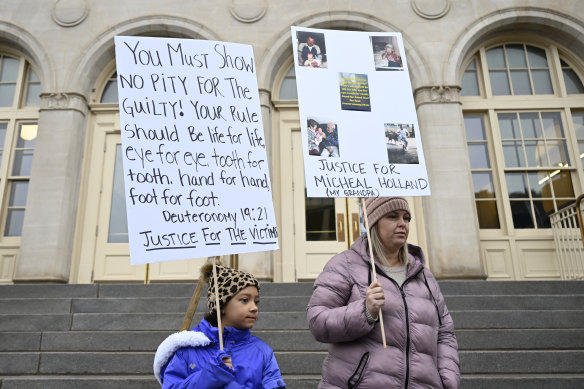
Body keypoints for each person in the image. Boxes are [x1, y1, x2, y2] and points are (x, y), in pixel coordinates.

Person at [307, 197, 460, 388]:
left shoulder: (424, 276)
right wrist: (365, 311)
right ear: (373, 222)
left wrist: (447, 380)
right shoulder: (344, 265)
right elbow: (317, 321)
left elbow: (445, 333)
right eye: (392, 216)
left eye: (406, 218)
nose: (402, 224)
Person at [154, 263, 286, 388]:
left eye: (256, 302)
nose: (254, 308)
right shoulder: (187, 350)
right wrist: (209, 376)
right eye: (245, 300)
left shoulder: (263, 352)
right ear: (221, 305)